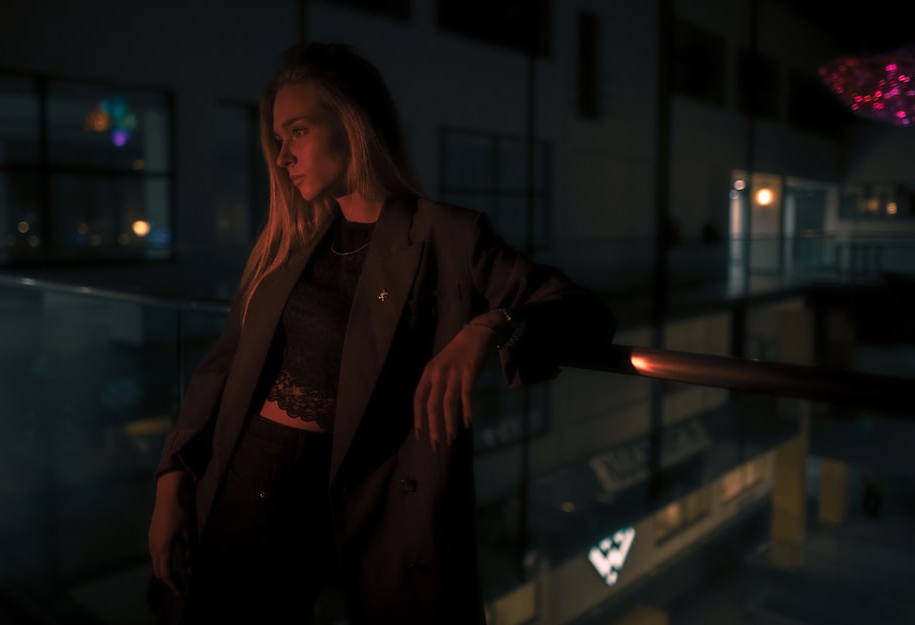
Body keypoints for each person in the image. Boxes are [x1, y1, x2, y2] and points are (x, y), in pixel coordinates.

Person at [148, 41, 615, 625]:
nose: (282, 154)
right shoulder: (291, 240)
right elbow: (223, 365)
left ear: (352, 122)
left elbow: (580, 311)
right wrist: (173, 481)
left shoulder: (448, 236)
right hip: (241, 482)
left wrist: (490, 327)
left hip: (359, 508)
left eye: (297, 131)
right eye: (277, 138)